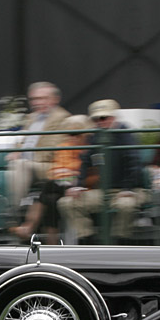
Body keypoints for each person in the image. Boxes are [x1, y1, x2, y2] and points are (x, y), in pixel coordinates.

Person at [57, 100, 147, 243]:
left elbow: (134, 164)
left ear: (114, 117)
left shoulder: (127, 135)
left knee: (126, 205)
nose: (100, 121)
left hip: (131, 190)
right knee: (67, 203)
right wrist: (78, 185)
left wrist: (127, 189)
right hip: (103, 192)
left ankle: (120, 243)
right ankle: (87, 241)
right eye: (95, 119)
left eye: (104, 117)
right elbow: (85, 162)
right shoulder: (94, 137)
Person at [10, 114, 90, 244]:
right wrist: (67, 173)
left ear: (85, 135)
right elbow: (56, 170)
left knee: (47, 188)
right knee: (50, 198)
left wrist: (69, 173)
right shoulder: (64, 147)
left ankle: (30, 227)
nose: (73, 137)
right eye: (70, 134)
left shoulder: (88, 149)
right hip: (61, 184)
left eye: (77, 134)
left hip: (79, 184)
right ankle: (49, 237)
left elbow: (82, 170)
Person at [5, 81, 72, 212]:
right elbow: (20, 141)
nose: (36, 102)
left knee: (20, 164)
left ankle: (12, 210)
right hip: (29, 163)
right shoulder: (31, 118)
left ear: (55, 99)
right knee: (6, 165)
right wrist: (17, 151)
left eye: (42, 98)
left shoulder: (63, 119)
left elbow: (53, 150)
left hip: (49, 165)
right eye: (34, 99)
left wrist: (23, 154)